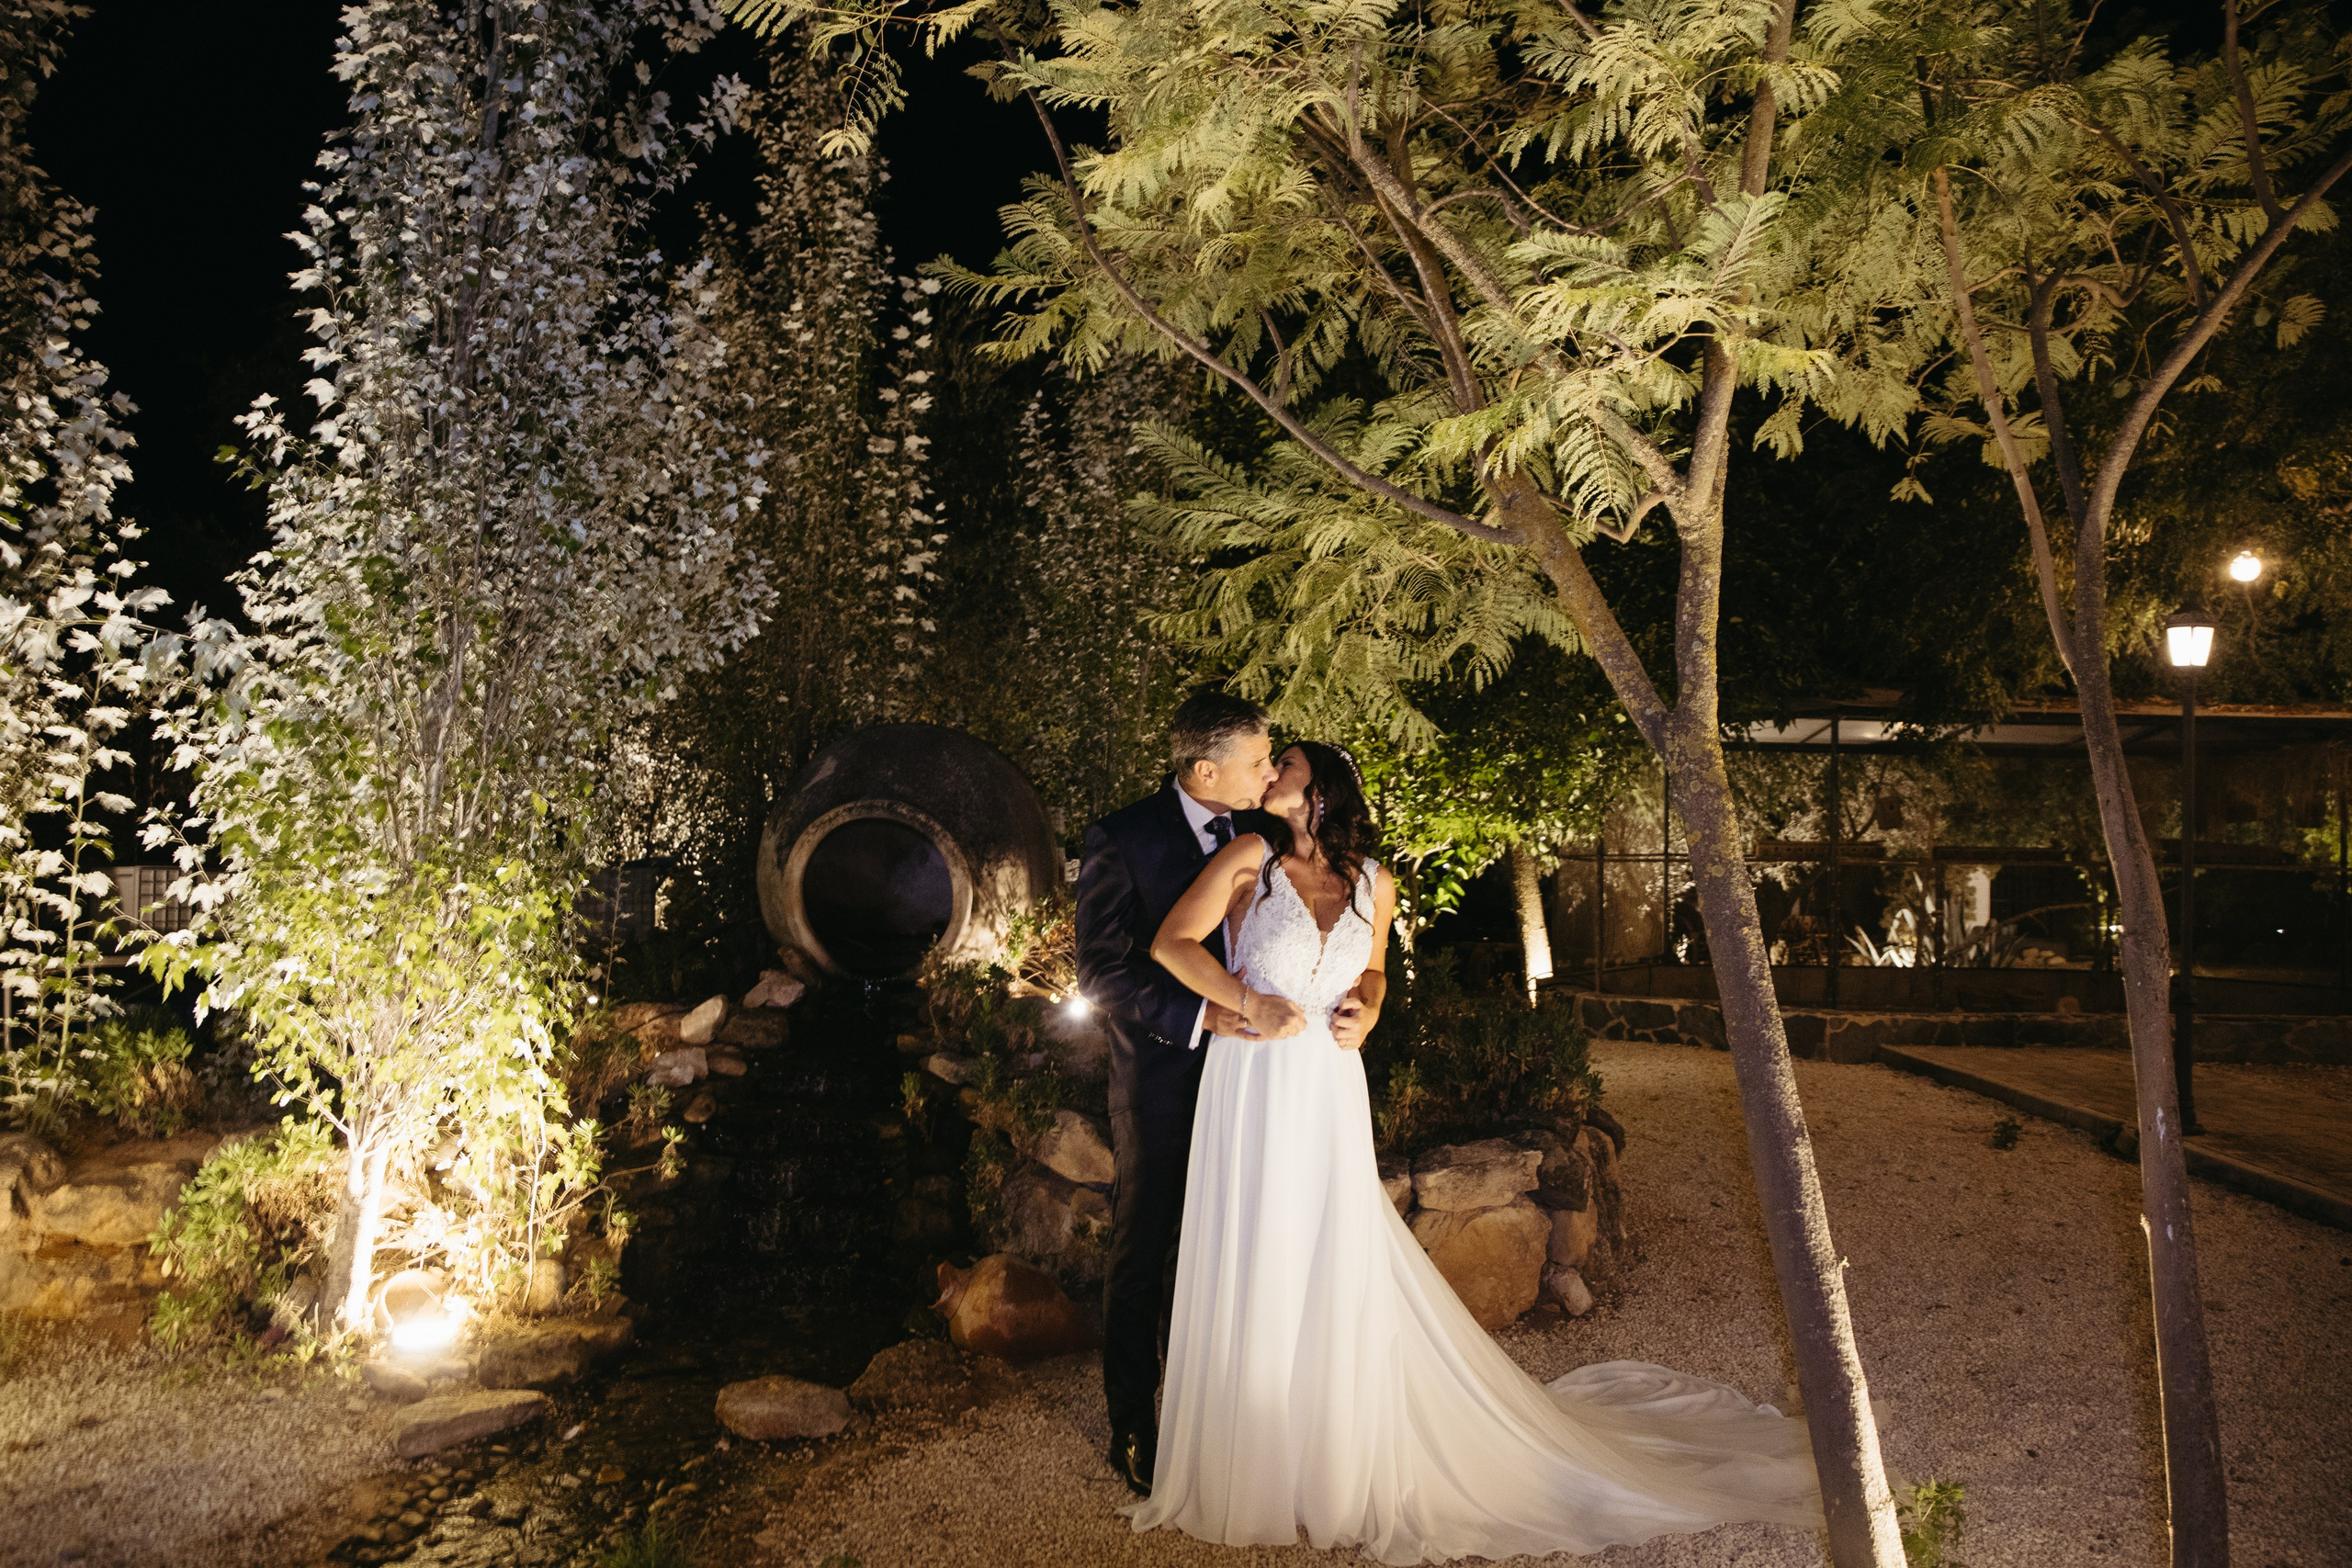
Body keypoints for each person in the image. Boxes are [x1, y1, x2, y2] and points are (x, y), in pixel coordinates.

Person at [1128, 739, 1825, 1562]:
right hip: (1252, 1087)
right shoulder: (1250, 858)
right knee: (1260, 1253)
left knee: (1330, 1257)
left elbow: (1376, 971)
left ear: (1323, 790)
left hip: (1326, 1090)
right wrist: (1243, 997)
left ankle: (1331, 1459)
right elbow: (1171, 944)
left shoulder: (1376, 883)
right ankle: (1256, 1463)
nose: (1270, 773)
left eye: (1284, 764)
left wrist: (1373, 1012)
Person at [1073, 689, 1281, 1497]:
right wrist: (1202, 1014)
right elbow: (1099, 971)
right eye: (1257, 761)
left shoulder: (1266, 835)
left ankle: (1225, 1408)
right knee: (1146, 1239)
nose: (1268, 772)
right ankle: (1133, 1418)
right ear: (1204, 768)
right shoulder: (1122, 838)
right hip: (1163, 1071)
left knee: (1234, 1237)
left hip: (1258, 1076)